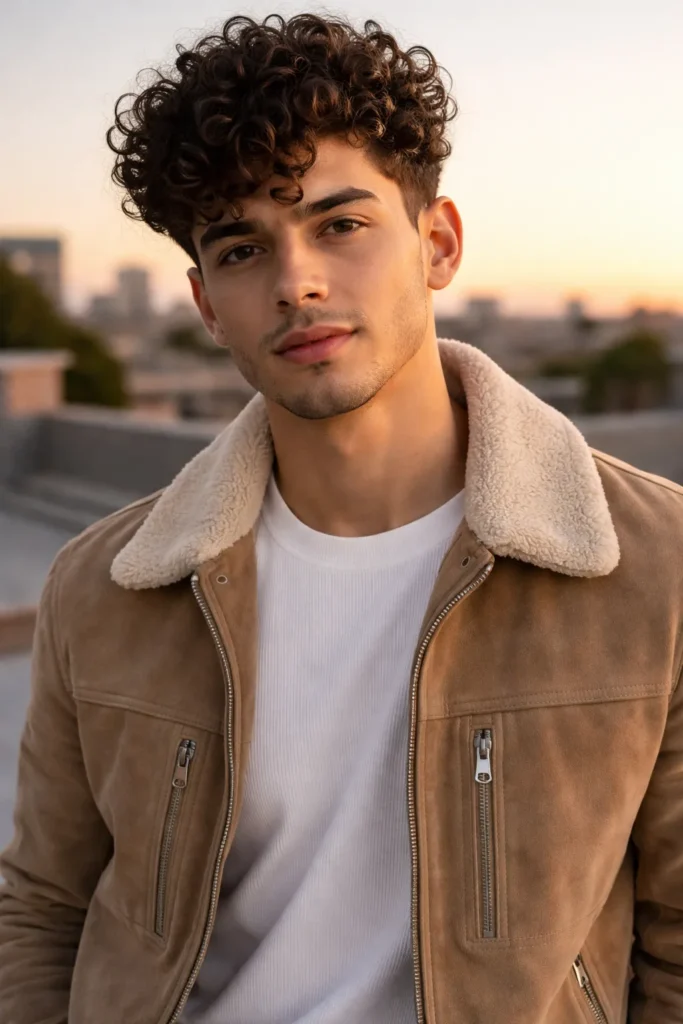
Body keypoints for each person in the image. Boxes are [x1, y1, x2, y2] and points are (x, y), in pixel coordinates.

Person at [0, 12, 682, 1024]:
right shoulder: (104, 586)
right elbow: (44, 909)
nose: (295, 282)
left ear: (436, 242)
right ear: (204, 303)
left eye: (339, 223)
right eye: (241, 248)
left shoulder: (653, 564)